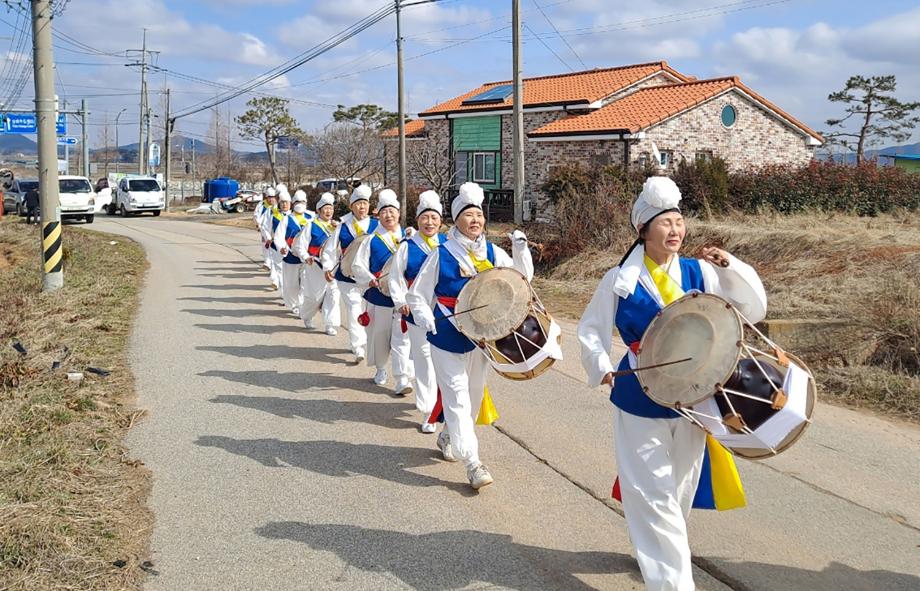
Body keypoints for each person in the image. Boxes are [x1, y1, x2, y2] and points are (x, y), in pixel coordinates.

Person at [576, 175, 767, 591]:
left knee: (678, 490)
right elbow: (591, 328)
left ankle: (658, 556)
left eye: (679, 220)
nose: (675, 229)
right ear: (643, 230)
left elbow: (753, 307)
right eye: (665, 222)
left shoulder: (701, 271)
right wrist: (601, 364)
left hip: (695, 399)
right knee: (653, 494)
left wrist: (730, 267)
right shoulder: (620, 280)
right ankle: (673, 583)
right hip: (639, 398)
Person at [406, 182, 532, 490]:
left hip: (483, 337)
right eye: (468, 215)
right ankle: (473, 462)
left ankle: (450, 432)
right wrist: (424, 317)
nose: (475, 220)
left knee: (474, 394)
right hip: (446, 334)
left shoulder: (492, 251)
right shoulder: (441, 254)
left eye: (478, 214)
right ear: (456, 220)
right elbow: (416, 294)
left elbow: (522, 281)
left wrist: (520, 250)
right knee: (458, 395)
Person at [388, 190, 447, 433]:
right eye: (425, 217)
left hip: (445, 314)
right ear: (417, 219)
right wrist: (401, 300)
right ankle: (428, 410)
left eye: (434, 217)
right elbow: (395, 277)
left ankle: (448, 407)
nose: (429, 222)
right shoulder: (407, 246)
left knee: (443, 362)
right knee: (423, 359)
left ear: (441, 220)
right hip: (416, 312)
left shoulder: (449, 245)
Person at [351, 189, 413, 393]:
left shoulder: (410, 237)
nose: (389, 215)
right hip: (378, 296)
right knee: (378, 336)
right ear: (378, 214)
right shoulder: (371, 239)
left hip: (404, 298)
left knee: (401, 339)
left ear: (398, 213)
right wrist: (370, 280)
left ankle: (402, 378)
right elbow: (358, 266)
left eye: (392, 211)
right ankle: (380, 369)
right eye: (385, 211)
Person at [320, 184, 378, 364]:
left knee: (368, 310)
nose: (362, 207)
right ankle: (358, 345)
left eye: (365, 203)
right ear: (352, 206)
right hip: (347, 276)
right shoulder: (343, 226)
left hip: (370, 277)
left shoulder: (376, 225)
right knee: (354, 309)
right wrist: (328, 267)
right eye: (358, 203)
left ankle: (365, 340)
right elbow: (330, 250)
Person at [294, 192, 341, 335]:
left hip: (333, 267)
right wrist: (306, 256)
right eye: (325, 208)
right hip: (315, 265)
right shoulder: (311, 225)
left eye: (331, 208)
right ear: (319, 210)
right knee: (314, 297)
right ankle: (307, 315)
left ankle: (330, 324)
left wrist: (338, 227)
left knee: (333, 294)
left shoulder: (337, 227)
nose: (328, 211)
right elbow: (300, 245)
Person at [274, 190, 312, 315]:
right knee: (292, 284)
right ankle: (294, 304)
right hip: (291, 257)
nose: (299, 204)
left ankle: (301, 304)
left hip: (307, 257)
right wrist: (282, 248)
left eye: (302, 202)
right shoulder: (286, 219)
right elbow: (278, 237)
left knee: (305, 283)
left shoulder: (311, 218)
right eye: (297, 202)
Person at [255, 187, 276, 270]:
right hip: (265, 229)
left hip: (275, 230)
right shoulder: (262, 205)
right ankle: (267, 263)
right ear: (266, 197)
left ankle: (274, 262)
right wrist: (258, 225)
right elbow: (256, 215)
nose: (271, 199)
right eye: (269, 197)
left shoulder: (276, 206)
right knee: (266, 245)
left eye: (273, 197)